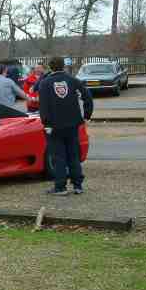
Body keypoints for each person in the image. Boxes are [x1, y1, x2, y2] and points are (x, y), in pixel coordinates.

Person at [38, 56, 93, 196]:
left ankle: (60, 187)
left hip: (54, 126)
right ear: (63, 66)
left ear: (50, 67)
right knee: (73, 155)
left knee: (58, 157)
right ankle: (77, 185)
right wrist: (87, 116)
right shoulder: (73, 80)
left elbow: (43, 106)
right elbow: (87, 97)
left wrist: (46, 123)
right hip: (73, 123)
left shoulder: (45, 83)